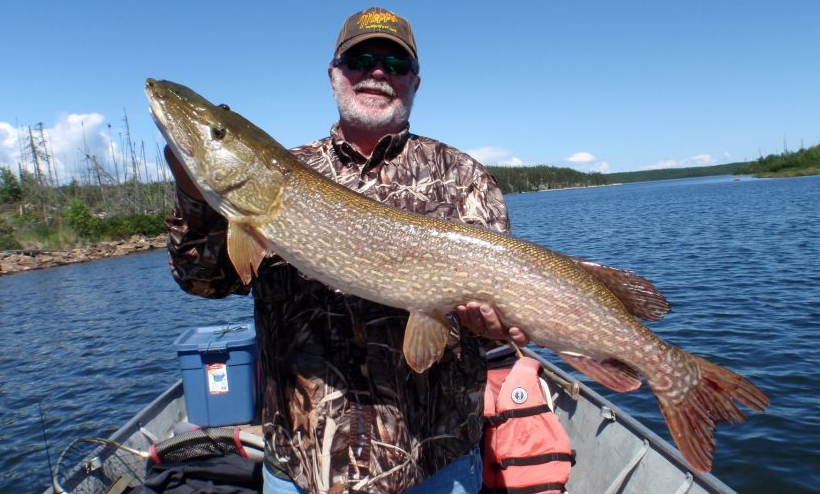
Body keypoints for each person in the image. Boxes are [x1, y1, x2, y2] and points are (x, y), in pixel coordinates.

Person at [164, 7, 528, 494]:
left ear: (415, 83)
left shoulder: (464, 179)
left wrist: (490, 328)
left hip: (434, 466)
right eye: (361, 59)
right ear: (335, 74)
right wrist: (193, 189)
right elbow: (203, 280)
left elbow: (493, 328)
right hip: (302, 468)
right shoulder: (281, 175)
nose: (378, 73)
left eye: (395, 65)